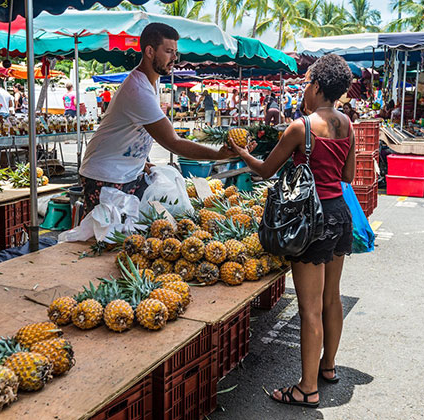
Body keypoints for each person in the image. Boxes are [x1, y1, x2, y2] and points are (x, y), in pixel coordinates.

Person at [228, 54, 355, 409]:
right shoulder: (347, 124)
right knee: (332, 298)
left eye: (306, 82)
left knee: (309, 308)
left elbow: (267, 170)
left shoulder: (300, 127)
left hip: (308, 221)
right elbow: (347, 177)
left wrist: (241, 153)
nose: (303, 89)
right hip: (338, 215)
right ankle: (327, 367)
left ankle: (307, 389)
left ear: (316, 86)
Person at [78, 23, 238, 215]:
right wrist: (218, 155)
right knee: (106, 239)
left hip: (126, 173)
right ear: (150, 51)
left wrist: (139, 162)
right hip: (105, 177)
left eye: (175, 52)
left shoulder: (151, 82)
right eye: (169, 51)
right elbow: (173, 142)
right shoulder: (137, 90)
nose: (174, 59)